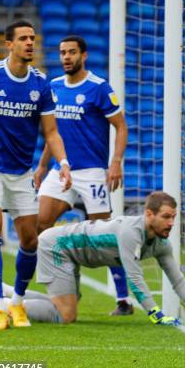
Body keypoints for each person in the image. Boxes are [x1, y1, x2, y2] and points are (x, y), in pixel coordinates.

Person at [0, 191, 185, 326]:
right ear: (149, 214)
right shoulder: (131, 232)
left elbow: (178, 280)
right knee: (65, 315)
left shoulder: (161, 244)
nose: (172, 222)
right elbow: (134, 278)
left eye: (174, 217)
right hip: (57, 246)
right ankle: (2, 305)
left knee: (65, 304)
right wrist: (156, 314)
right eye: (167, 217)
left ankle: (7, 292)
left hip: (71, 252)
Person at [0, 20, 72, 330]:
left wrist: (63, 162)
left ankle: (17, 303)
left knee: (30, 240)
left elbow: (51, 131)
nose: (31, 42)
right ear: (9, 44)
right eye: (24, 38)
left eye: (33, 38)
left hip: (20, 171)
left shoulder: (40, 85)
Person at [33, 35, 132, 316]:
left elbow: (121, 127)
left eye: (72, 52)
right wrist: (42, 165)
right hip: (60, 169)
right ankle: (65, 282)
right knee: (40, 223)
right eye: (63, 52)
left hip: (92, 172)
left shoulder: (99, 88)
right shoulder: (53, 88)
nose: (66, 57)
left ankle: (123, 299)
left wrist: (115, 162)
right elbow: (54, 135)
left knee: (104, 236)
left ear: (84, 56)